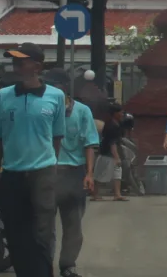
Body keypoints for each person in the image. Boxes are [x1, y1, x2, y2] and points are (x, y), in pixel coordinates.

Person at [0, 42, 66, 277]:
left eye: (22, 60)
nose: (16, 64)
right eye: (14, 60)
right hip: (11, 173)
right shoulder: (3, 96)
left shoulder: (56, 97)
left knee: (42, 231)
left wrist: (50, 165)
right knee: (15, 231)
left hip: (42, 174)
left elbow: (56, 137)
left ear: (37, 66)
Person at [47, 70, 99, 277]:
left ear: (64, 88)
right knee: (44, 226)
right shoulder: (44, 110)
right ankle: (43, 264)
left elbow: (89, 144)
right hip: (48, 173)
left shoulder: (82, 111)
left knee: (73, 226)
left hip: (73, 174)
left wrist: (89, 174)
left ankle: (67, 265)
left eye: (55, 87)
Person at [92, 103, 127, 202]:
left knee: (117, 173)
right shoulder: (111, 126)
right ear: (115, 113)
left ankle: (117, 194)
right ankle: (95, 194)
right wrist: (116, 157)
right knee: (100, 174)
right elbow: (112, 143)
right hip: (107, 153)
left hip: (112, 153)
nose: (122, 114)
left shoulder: (117, 124)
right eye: (120, 112)